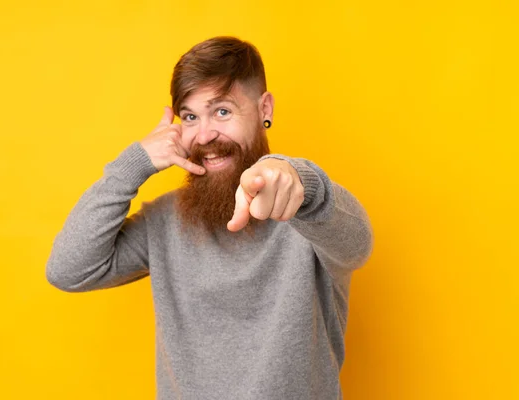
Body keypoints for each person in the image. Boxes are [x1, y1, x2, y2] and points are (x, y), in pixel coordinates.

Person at [46, 36, 374, 400]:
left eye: (222, 111)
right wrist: (132, 165)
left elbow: (358, 244)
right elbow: (68, 270)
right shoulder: (164, 222)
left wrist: (300, 181)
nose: (205, 135)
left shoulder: (308, 210)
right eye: (190, 117)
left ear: (265, 108)